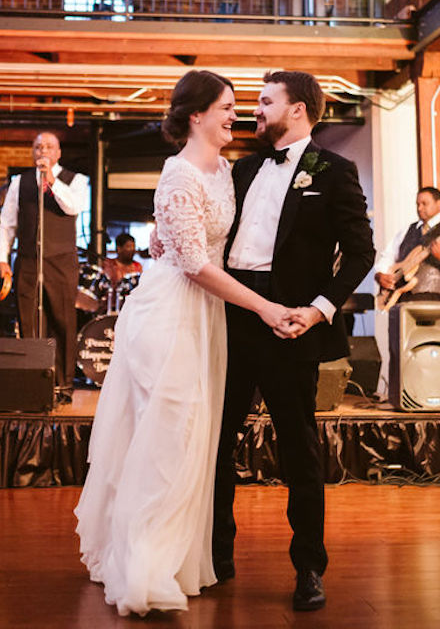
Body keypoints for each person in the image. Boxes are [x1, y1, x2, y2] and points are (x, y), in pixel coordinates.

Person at [74, 70, 299, 616]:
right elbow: (196, 263)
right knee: (169, 433)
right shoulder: (177, 175)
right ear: (196, 115)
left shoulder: (226, 169)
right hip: (172, 311)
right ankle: (143, 566)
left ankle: (176, 557)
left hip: (209, 317)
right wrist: (266, 306)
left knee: (197, 436)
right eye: (226, 106)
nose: (235, 115)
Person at [213, 70, 376, 612]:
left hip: (292, 325)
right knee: (215, 442)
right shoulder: (242, 167)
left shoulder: (335, 170)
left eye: (264, 102)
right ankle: (217, 554)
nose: (254, 110)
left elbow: (360, 253)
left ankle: (309, 567)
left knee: (300, 452)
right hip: (232, 315)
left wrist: (319, 309)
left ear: (299, 110)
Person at [0, 132, 89, 399]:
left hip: (61, 261)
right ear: (32, 152)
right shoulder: (19, 182)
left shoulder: (76, 180)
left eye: (49, 147)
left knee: (62, 320)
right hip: (27, 260)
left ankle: (63, 385)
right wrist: (1, 258)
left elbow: (72, 207)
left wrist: (51, 181)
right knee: (30, 321)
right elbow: (8, 223)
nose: (42, 150)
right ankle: (33, 382)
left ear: (58, 153)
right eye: (38, 147)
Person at [373, 186, 440, 303]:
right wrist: (380, 274)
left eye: (424, 203)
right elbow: (388, 257)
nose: (420, 208)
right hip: (405, 302)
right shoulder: (406, 230)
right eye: (418, 204)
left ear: (439, 204)